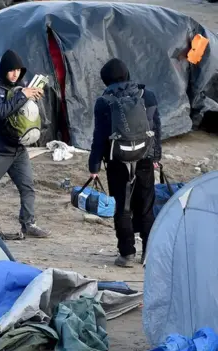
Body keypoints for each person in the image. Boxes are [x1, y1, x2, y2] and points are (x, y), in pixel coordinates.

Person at [0, 50, 51, 239]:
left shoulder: (21, 88)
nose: (15, 74)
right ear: (4, 70)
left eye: (18, 71)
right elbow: (1, 111)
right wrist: (23, 96)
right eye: (11, 71)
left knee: (27, 186)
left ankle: (28, 224)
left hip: (18, 149)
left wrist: (33, 97)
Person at [88, 58, 162, 268]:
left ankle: (126, 254)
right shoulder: (146, 95)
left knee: (122, 206)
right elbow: (156, 128)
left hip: (117, 160)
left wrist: (94, 166)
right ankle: (149, 252)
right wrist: (156, 157)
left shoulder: (104, 101)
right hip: (145, 157)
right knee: (147, 206)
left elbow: (99, 136)